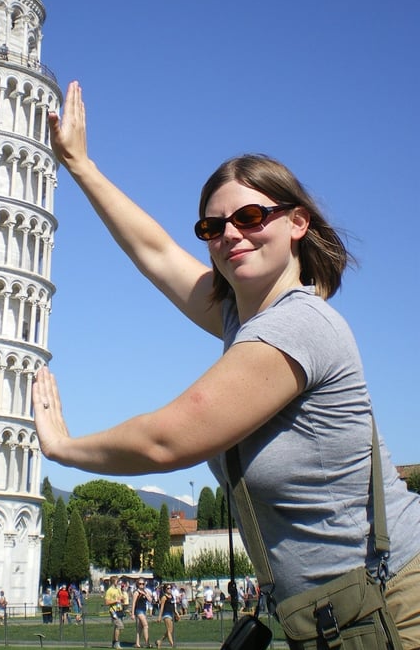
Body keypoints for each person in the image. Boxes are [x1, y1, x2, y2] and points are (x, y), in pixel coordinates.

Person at [33, 80, 420, 647]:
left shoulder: (298, 326)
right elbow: (157, 252)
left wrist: (63, 448)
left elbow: (167, 440)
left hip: (393, 606)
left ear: (297, 223)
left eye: (251, 216)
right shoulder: (245, 320)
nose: (230, 235)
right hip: (334, 615)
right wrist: (80, 164)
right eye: (213, 227)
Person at [104, 575, 125, 650]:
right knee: (120, 626)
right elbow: (106, 602)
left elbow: (121, 598)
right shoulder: (109, 590)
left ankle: (114, 642)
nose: (118, 582)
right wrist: (115, 601)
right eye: (117, 581)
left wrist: (122, 598)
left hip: (119, 609)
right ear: (114, 581)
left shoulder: (118, 589)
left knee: (117, 627)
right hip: (113, 611)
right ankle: (116, 643)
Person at [131, 579, 152, 648]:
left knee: (140, 627)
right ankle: (147, 643)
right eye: (140, 584)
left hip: (143, 610)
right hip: (138, 610)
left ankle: (137, 643)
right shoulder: (136, 592)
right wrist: (132, 613)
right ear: (137, 584)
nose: (141, 585)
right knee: (145, 625)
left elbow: (150, 600)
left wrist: (145, 594)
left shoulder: (145, 592)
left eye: (143, 584)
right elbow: (133, 603)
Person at [155, 584, 177, 648]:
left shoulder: (171, 596)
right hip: (166, 614)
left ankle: (159, 641)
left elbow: (173, 607)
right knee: (169, 630)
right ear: (165, 589)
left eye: (170, 588)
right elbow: (161, 608)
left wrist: (177, 614)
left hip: (171, 614)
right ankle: (172, 644)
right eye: (168, 588)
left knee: (170, 630)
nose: (169, 589)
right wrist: (159, 617)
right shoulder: (164, 597)